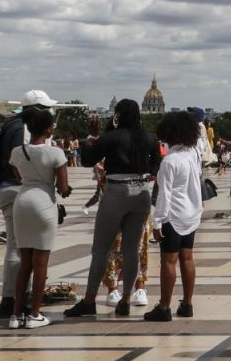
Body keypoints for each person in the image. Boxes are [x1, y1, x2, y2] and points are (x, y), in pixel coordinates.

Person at [64, 99, 160, 319]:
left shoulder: (112, 137)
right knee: (131, 249)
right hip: (141, 192)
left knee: (101, 249)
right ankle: (126, 298)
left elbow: (88, 160)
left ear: (118, 115)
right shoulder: (149, 137)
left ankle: (89, 301)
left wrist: (91, 136)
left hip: (117, 191)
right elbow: (157, 164)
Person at [0, 90, 57, 320]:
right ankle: (10, 300)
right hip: (17, 190)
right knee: (17, 249)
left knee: (20, 248)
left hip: (6, 188)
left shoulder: (11, 124)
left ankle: (17, 298)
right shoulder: (24, 129)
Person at [7, 108, 69, 330]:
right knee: (41, 263)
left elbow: (20, 177)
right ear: (49, 128)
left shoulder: (17, 151)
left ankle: (16, 315)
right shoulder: (56, 153)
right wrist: (66, 189)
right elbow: (62, 188)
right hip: (43, 204)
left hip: (22, 202)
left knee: (25, 262)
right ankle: (34, 313)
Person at [145, 111, 202, 322]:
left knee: (168, 261)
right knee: (187, 258)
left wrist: (157, 221)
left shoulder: (169, 161)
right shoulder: (193, 154)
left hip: (173, 216)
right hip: (192, 214)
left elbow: (164, 194)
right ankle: (187, 304)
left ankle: (164, 306)